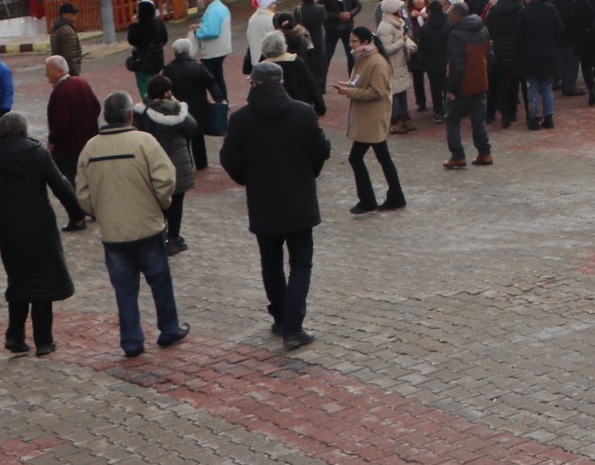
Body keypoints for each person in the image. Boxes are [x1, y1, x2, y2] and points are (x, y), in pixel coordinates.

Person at [221, 60, 330, 351]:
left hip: (264, 202)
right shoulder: (303, 112)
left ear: (254, 84)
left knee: (271, 264)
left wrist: (249, 179)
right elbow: (322, 149)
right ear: (280, 82)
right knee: (300, 263)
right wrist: (309, 171)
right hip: (299, 201)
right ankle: (292, 325)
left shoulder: (241, 119)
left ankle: (282, 318)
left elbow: (230, 159)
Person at [0, 111, 86, 357]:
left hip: (9, 229)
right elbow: (61, 185)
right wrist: (77, 213)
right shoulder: (38, 153)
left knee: (18, 279)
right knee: (43, 280)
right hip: (40, 226)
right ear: (23, 130)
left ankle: (15, 336)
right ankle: (44, 340)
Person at [74, 92, 185, 358]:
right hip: (146, 225)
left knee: (124, 289)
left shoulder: (90, 148)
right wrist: (161, 204)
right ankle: (168, 329)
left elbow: (82, 193)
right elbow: (166, 179)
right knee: (160, 281)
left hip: (113, 232)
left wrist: (100, 213)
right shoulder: (144, 142)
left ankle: (132, 340)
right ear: (129, 114)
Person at [335, 25, 405, 214]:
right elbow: (360, 80)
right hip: (368, 116)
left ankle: (368, 200)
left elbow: (377, 91)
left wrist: (349, 91)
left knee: (356, 158)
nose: (351, 44)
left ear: (365, 42)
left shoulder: (376, 62)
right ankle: (394, 196)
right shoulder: (363, 58)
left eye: (354, 41)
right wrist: (348, 85)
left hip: (373, 117)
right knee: (382, 157)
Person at [134, 75, 202, 254]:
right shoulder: (176, 109)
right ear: (166, 91)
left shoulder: (141, 112)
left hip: (153, 163)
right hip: (178, 163)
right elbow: (193, 127)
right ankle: (174, 238)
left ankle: (159, 235)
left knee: (156, 202)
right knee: (177, 202)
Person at [443, 0, 494, 167]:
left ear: (457, 15)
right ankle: (484, 152)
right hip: (480, 80)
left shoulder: (456, 34)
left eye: (450, 12)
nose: (448, 15)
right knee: (478, 120)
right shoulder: (482, 28)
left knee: (452, 119)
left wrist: (452, 89)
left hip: (463, 84)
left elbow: (456, 65)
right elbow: (490, 55)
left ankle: (457, 155)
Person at [44, 56, 101, 185]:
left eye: (48, 69)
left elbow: (61, 123)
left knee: (73, 183)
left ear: (59, 71)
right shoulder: (81, 82)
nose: (46, 74)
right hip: (89, 143)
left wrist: (52, 141)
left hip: (69, 150)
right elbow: (96, 107)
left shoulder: (60, 92)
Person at [165, 39, 217, 171]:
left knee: (182, 137)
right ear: (188, 50)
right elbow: (211, 82)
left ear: (175, 51)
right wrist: (219, 99)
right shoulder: (198, 66)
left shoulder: (168, 69)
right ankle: (202, 163)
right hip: (198, 105)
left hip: (178, 106)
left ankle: (187, 164)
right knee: (198, 135)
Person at [516, 0, 562, 129]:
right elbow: (560, 29)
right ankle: (549, 117)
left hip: (529, 54)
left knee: (532, 88)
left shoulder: (524, 12)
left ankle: (534, 117)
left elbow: (517, 35)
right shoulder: (552, 9)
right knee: (547, 87)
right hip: (547, 53)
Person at [375, 0, 416, 132]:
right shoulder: (385, 28)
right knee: (395, 95)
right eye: (398, 7)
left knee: (402, 92)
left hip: (400, 63)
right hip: (393, 65)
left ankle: (405, 118)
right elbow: (387, 49)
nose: (401, 9)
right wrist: (402, 42)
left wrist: (410, 45)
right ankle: (395, 121)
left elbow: (404, 37)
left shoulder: (397, 22)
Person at [317, 0, 362, 77]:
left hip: (348, 27)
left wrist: (350, 14)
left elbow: (358, 6)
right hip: (331, 29)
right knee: (327, 55)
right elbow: (322, 12)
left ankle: (352, 80)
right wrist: (337, 16)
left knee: (351, 55)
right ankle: (320, 83)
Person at [193, 0, 233, 102]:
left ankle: (219, 100)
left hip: (212, 50)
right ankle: (223, 100)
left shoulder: (213, 11)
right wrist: (201, 26)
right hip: (221, 48)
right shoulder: (221, 8)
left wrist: (197, 32)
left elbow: (211, 32)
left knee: (209, 79)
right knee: (218, 76)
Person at [126, 0, 168, 102]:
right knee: (157, 85)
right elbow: (165, 39)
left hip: (143, 63)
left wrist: (133, 25)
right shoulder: (159, 24)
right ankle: (161, 103)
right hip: (158, 61)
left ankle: (150, 107)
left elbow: (132, 40)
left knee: (144, 87)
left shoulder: (139, 26)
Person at [49, 3, 84, 77]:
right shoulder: (67, 30)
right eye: (73, 13)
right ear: (64, 14)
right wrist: (75, 73)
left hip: (59, 69)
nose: (75, 15)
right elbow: (70, 55)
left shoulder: (57, 28)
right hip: (67, 72)